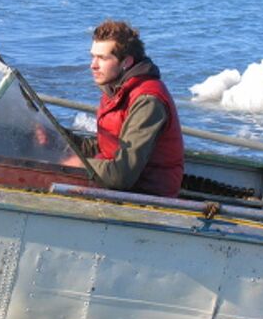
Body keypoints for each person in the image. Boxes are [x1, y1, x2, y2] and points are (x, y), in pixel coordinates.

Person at [79, 19, 184, 197]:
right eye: (92, 56)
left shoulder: (147, 100)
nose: (93, 65)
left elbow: (121, 175)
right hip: (122, 188)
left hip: (147, 197)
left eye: (103, 58)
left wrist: (77, 164)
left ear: (126, 62)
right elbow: (107, 145)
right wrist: (56, 138)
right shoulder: (116, 89)